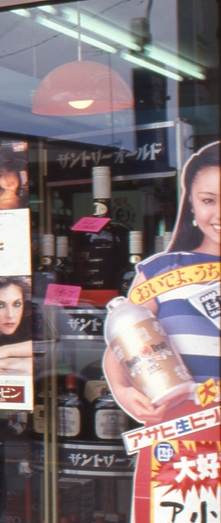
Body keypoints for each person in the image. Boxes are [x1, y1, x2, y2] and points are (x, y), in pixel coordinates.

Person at [102, 141, 220, 425]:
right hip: (181, 426)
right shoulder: (163, 269)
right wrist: (123, 391)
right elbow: (123, 342)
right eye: (208, 200)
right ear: (191, 203)